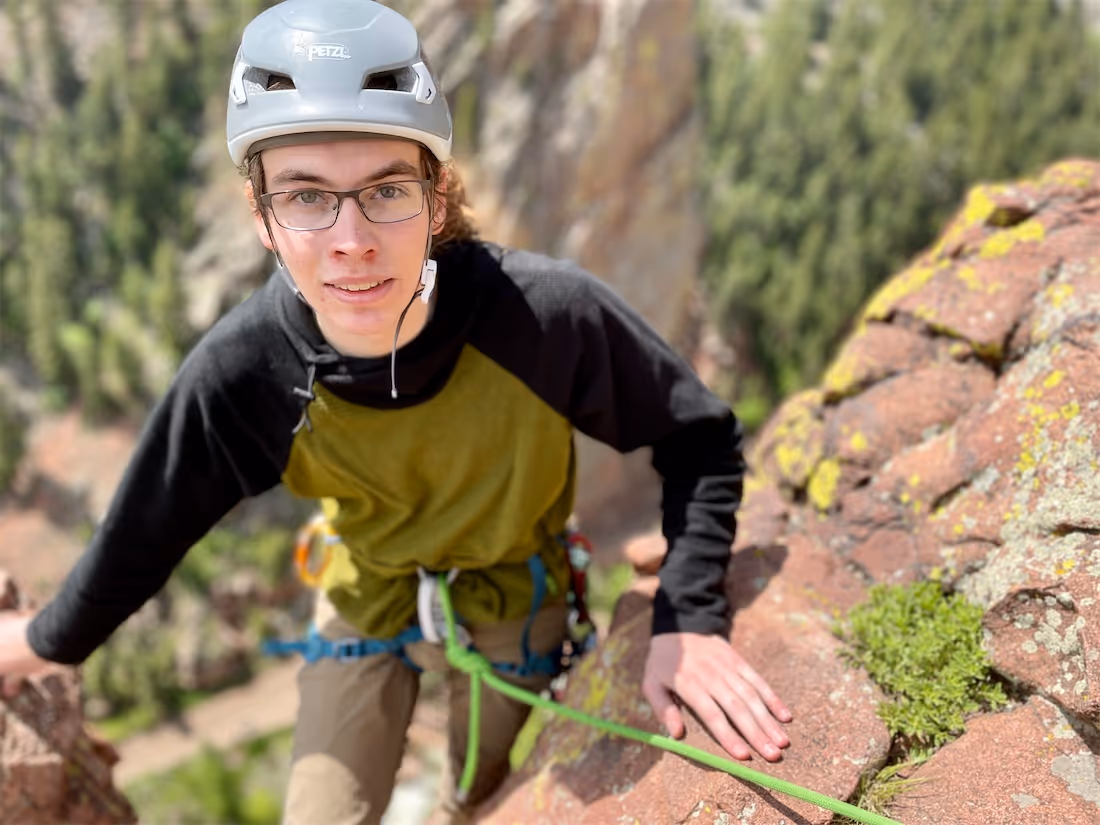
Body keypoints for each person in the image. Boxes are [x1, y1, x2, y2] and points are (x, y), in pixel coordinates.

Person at [0, 1, 792, 822]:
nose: (351, 239)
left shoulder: (541, 317)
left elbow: (697, 437)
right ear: (263, 219)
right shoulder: (247, 372)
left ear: (437, 198)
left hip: (514, 591)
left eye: (385, 190)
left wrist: (689, 616)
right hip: (365, 584)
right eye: (306, 198)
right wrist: (34, 644)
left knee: (479, 800)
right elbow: (142, 536)